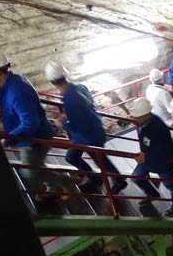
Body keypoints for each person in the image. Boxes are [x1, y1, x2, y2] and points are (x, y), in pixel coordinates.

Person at [0, 49, 67, 201]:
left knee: (29, 171)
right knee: (34, 166)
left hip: (35, 138)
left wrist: (8, 138)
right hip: (30, 135)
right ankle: (52, 188)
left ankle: (63, 183)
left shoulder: (16, 91)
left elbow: (29, 123)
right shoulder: (11, 81)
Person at [45, 61, 128, 194]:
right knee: (73, 157)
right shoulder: (80, 87)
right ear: (65, 75)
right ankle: (96, 178)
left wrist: (63, 124)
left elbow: (79, 126)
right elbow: (84, 108)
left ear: (52, 82)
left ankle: (118, 181)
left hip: (88, 137)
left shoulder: (70, 99)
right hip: (94, 129)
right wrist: (67, 115)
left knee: (101, 160)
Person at [129, 97, 173, 216]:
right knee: (136, 177)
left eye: (136, 117)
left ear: (145, 115)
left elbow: (163, 152)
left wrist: (145, 157)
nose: (133, 119)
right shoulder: (146, 123)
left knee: (171, 186)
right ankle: (152, 193)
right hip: (148, 160)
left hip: (164, 163)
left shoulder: (157, 128)